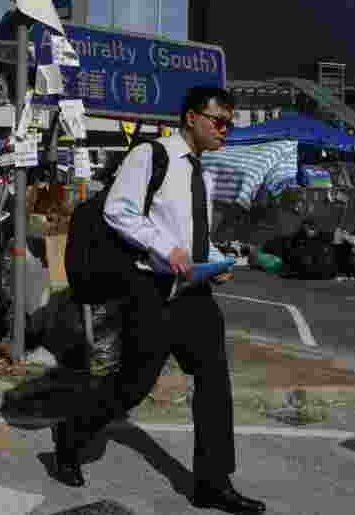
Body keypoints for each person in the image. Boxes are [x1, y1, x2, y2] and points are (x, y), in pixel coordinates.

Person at [48, 87, 266, 514]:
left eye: (229, 123)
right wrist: (168, 250)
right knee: (132, 385)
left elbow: (189, 239)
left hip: (194, 295)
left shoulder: (201, 173)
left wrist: (214, 261)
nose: (225, 130)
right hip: (152, 290)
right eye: (218, 120)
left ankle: (212, 481)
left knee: (214, 382)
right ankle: (70, 435)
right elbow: (118, 210)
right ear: (190, 118)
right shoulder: (153, 156)